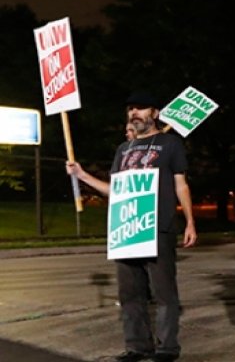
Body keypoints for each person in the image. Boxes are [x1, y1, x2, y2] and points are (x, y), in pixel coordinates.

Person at [66, 91, 197, 362]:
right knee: (130, 294)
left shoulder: (170, 144)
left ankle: (167, 348)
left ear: (155, 113)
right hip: (126, 228)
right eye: (130, 109)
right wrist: (82, 175)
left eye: (140, 108)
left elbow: (180, 183)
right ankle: (138, 346)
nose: (133, 113)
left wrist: (190, 221)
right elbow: (114, 189)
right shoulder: (123, 150)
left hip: (158, 226)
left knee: (163, 292)